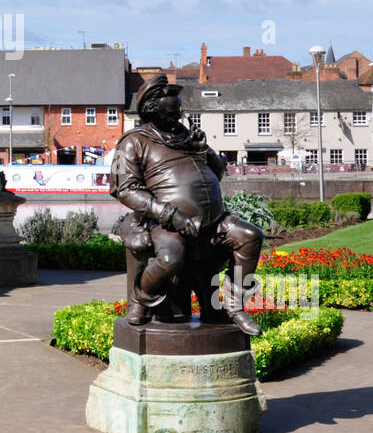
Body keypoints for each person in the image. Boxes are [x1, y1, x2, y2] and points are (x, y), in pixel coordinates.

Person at [109, 74, 264, 334]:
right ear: (153, 112)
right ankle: (141, 297)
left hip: (212, 221)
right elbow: (123, 189)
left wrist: (206, 152)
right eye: (171, 115)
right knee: (171, 258)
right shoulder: (133, 142)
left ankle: (235, 307)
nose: (178, 119)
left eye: (178, 113)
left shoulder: (185, 136)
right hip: (165, 223)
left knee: (250, 236)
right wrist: (170, 215)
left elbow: (217, 174)